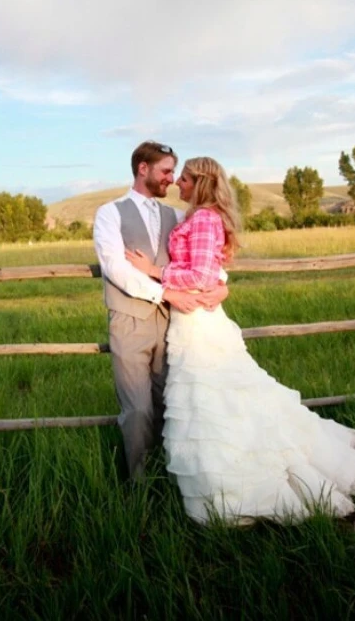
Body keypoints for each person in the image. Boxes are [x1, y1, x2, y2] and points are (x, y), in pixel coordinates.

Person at [125, 156, 355, 525]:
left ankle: (244, 487)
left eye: (185, 179)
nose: (179, 184)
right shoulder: (197, 216)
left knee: (217, 401)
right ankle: (221, 490)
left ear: (200, 182)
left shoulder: (204, 218)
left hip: (200, 324)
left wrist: (154, 271)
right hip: (189, 321)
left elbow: (204, 274)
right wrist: (219, 285)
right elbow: (214, 272)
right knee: (210, 405)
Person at [93, 142, 229, 478]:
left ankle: (175, 477)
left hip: (176, 323)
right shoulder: (110, 213)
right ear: (143, 168)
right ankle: (140, 485)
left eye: (175, 173)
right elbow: (115, 267)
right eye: (166, 171)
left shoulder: (179, 216)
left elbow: (204, 258)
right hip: (130, 321)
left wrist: (223, 284)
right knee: (138, 410)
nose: (171, 179)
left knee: (174, 405)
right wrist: (165, 291)